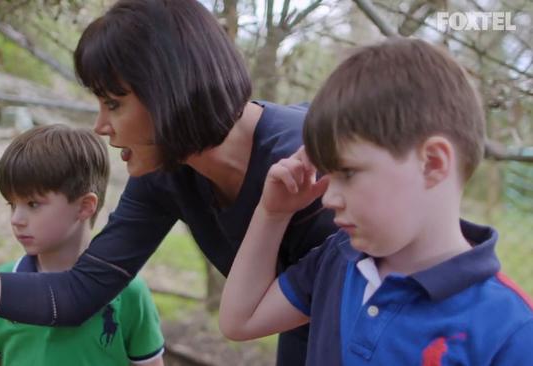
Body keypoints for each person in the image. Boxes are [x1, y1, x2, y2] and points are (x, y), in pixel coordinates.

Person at [0, 1, 337, 364]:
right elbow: (76, 295)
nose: (100, 126)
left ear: (169, 93)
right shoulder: (166, 173)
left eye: (114, 104)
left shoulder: (310, 161)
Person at [219, 38, 533, 365]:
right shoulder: (340, 260)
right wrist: (273, 213)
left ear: (433, 163)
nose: (328, 198)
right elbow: (241, 320)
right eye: (328, 175)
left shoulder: (511, 332)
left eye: (349, 173)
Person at [0, 124, 165, 366]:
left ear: (84, 206)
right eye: (12, 204)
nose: (16, 219)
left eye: (33, 204)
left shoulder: (130, 292)